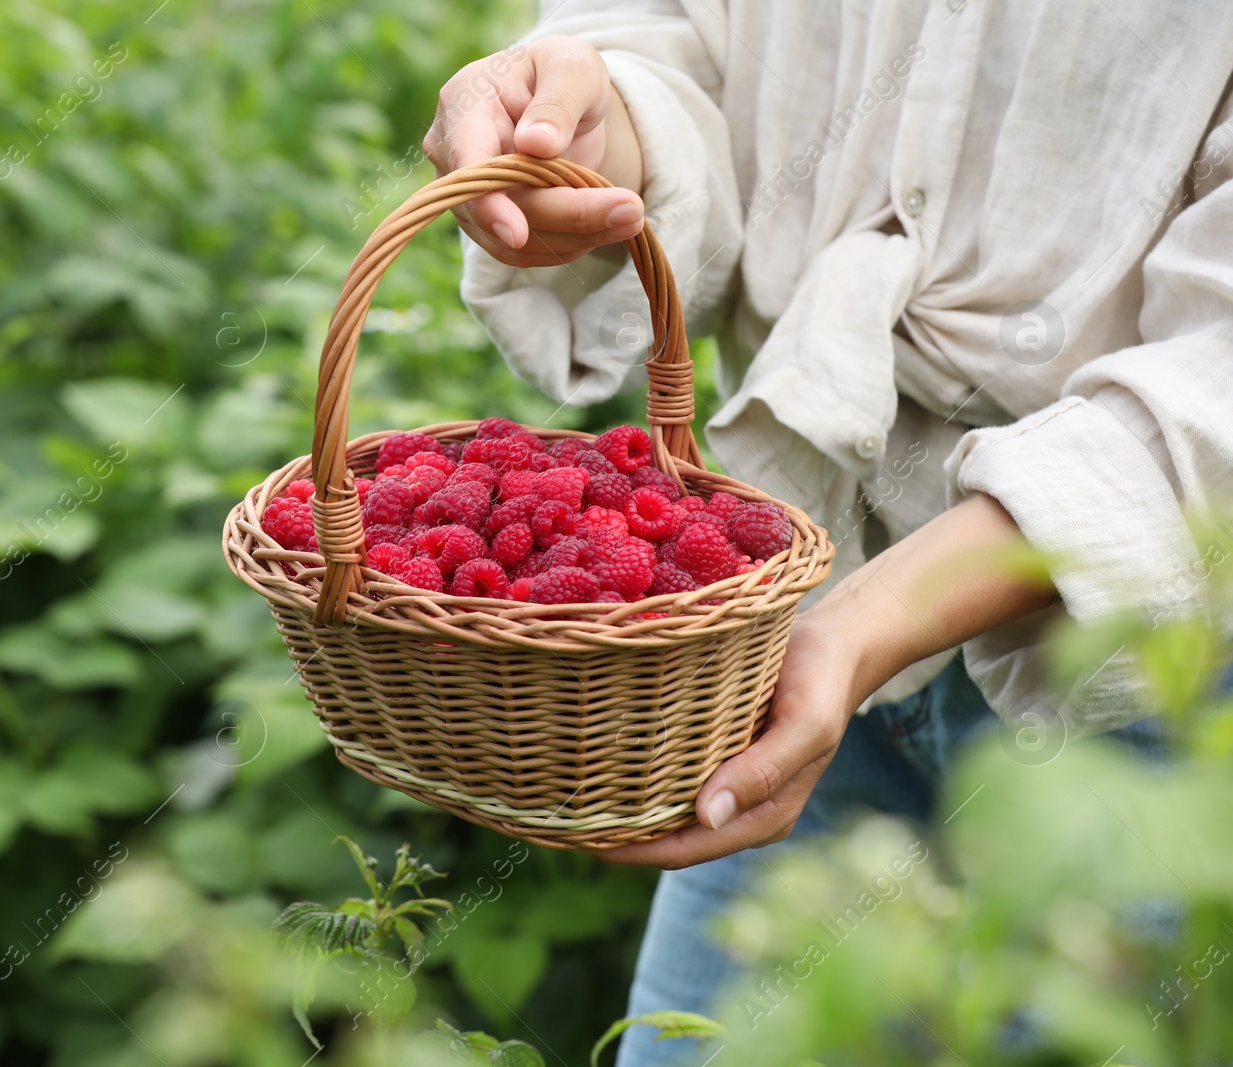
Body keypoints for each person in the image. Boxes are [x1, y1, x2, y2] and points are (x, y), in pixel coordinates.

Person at [423, 3, 1233, 1063]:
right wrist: (589, 121)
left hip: (1145, 673)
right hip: (781, 637)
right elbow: (673, 38)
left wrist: (857, 628)